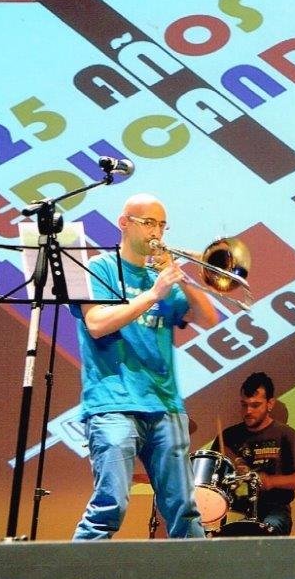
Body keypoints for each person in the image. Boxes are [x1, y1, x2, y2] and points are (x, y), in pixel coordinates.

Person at [72, 193, 220, 539]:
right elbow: (96, 323)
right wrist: (153, 293)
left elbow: (208, 316)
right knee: (109, 507)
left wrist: (180, 277)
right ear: (124, 223)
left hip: (165, 406)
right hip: (113, 404)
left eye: (162, 225)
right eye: (149, 222)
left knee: (185, 510)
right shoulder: (100, 268)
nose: (158, 232)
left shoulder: (165, 279)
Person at [212, 372, 295, 536]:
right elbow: (209, 478)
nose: (248, 411)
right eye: (244, 405)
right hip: (234, 509)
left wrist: (271, 481)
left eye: (255, 405)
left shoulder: (284, 434)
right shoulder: (228, 437)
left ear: (270, 404)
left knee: (266, 530)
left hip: (274, 509)